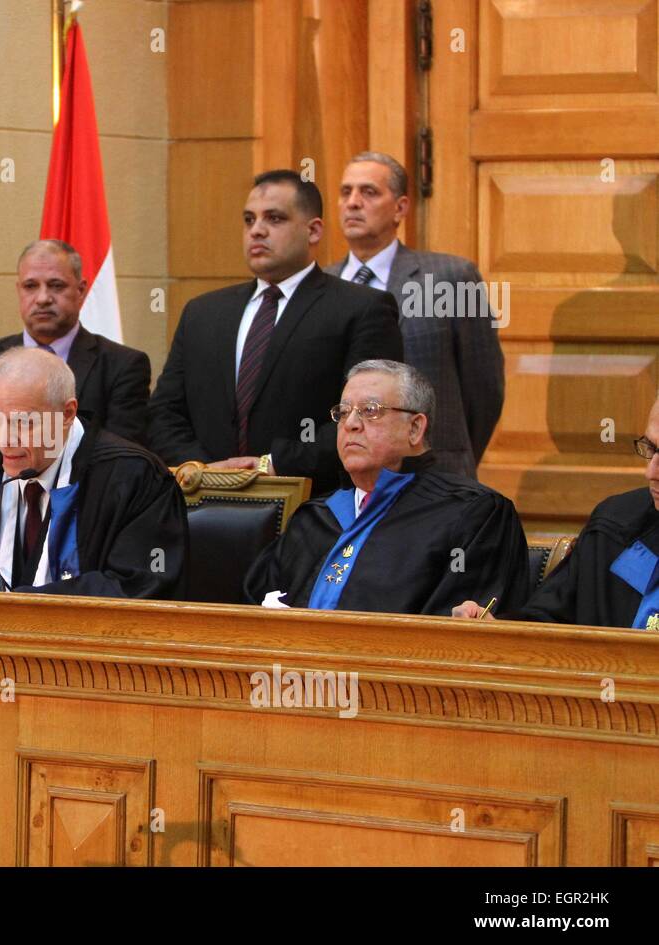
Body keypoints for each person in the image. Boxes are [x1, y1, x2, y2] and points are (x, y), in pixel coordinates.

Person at [149, 169, 403, 495]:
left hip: (315, 508)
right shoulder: (202, 313)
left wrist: (268, 465)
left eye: (274, 219)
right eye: (248, 220)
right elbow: (164, 413)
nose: (257, 231)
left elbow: (370, 416)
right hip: (203, 501)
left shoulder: (361, 308)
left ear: (313, 231)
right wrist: (204, 470)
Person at [0, 347, 186, 598]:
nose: (4, 439)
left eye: (23, 422)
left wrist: (17, 609)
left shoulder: (133, 477)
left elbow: (136, 585)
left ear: (67, 414)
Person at [244, 360, 529, 615]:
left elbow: (460, 638)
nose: (351, 424)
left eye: (370, 411)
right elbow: (251, 616)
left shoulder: (474, 514)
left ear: (415, 428)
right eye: (343, 413)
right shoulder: (313, 518)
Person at [327, 152, 504, 477]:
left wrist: (455, 451)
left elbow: (485, 388)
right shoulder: (320, 288)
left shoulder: (451, 276)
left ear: (401, 207)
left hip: (436, 472)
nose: (352, 203)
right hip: (341, 481)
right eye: (345, 192)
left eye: (368, 192)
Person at [0, 239, 151, 476]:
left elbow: (124, 455)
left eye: (56, 285)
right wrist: (5, 491)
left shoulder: (122, 365)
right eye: (31, 286)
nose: (43, 298)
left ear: (81, 290)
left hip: (80, 505)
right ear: (19, 290)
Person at [454, 393, 659, 629]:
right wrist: (494, 630)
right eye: (651, 449)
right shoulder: (614, 525)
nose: (651, 473)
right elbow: (548, 624)